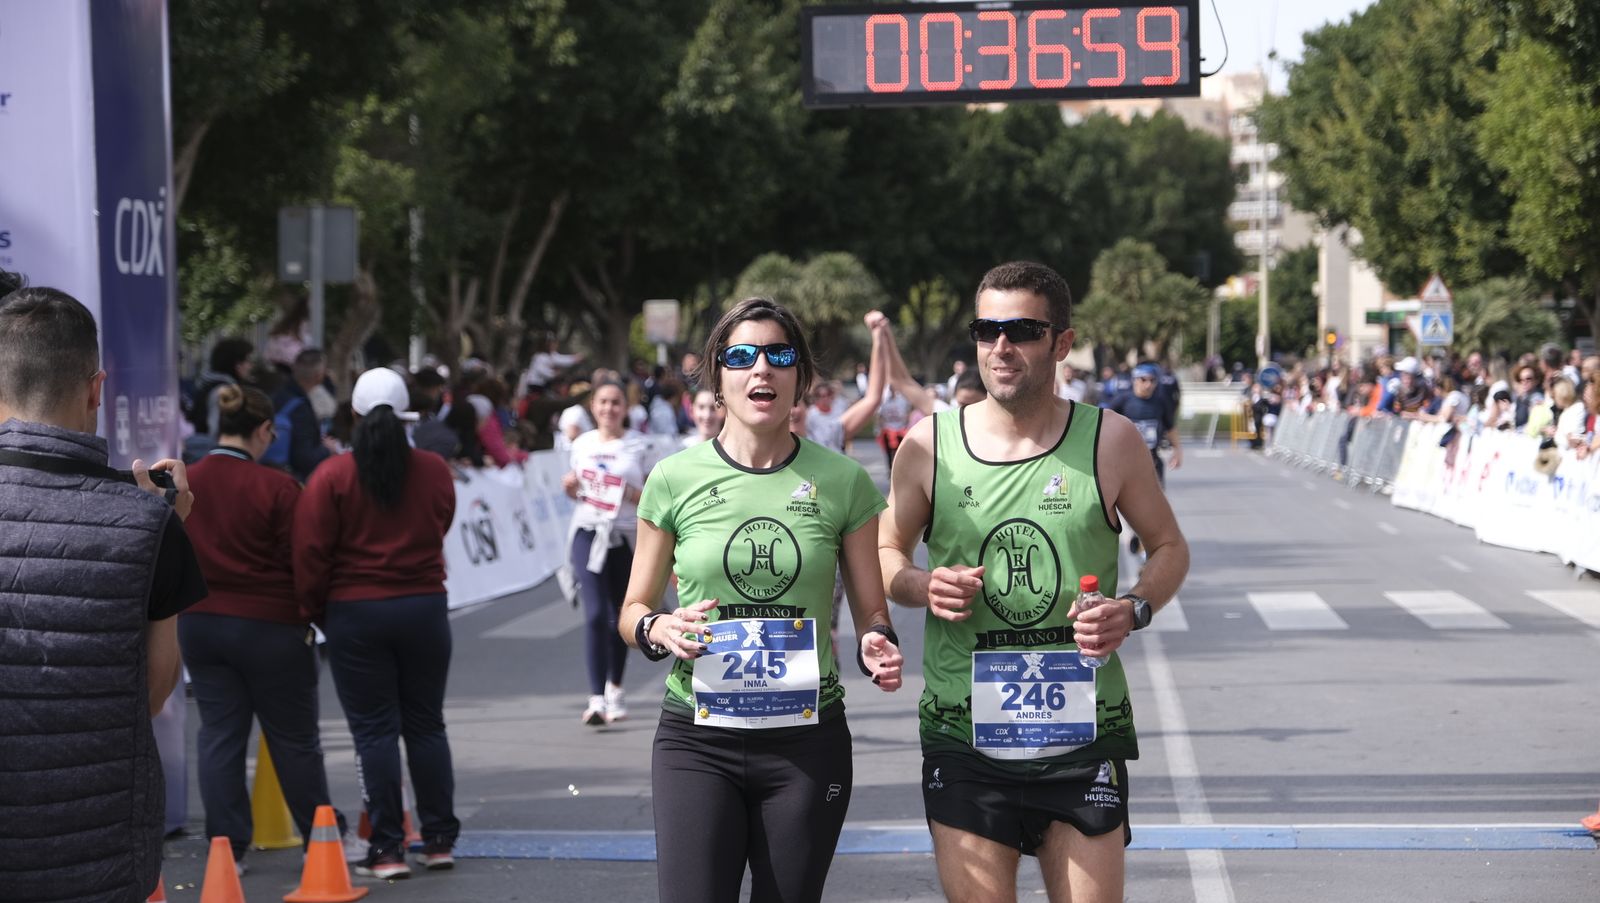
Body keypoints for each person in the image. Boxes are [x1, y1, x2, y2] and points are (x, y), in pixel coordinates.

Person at [879, 261, 1189, 903]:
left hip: (1080, 732)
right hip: (963, 731)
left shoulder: (1111, 441)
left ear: (1061, 342)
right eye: (986, 329)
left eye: (1021, 329)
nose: (1000, 346)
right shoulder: (928, 446)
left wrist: (1132, 609)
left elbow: (1169, 547)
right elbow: (885, 552)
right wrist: (921, 585)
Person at [619, 298, 904, 903]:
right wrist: (658, 628)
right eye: (742, 356)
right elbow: (632, 609)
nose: (761, 370)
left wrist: (878, 641)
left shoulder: (843, 481)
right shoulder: (673, 478)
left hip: (806, 742)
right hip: (698, 740)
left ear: (800, 376)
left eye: (779, 356)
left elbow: (871, 611)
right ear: (718, 378)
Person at [0, 278, 207, 901]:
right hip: (101, 855)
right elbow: (150, 689)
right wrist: (162, 534)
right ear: (96, 389)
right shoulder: (148, 524)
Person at [293, 366, 460, 880]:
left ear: (356, 413)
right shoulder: (433, 469)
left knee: (374, 733)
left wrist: (316, 611)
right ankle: (437, 840)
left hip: (355, 613)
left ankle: (387, 848)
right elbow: (443, 521)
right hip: (424, 607)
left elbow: (310, 552)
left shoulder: (333, 475)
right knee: (427, 724)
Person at [180, 384, 346, 871]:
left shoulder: (187, 481)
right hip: (271, 628)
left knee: (219, 734)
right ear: (265, 431)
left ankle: (226, 848)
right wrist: (313, 615)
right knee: (294, 739)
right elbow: (305, 560)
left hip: (201, 624)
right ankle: (321, 838)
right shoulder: (278, 487)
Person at [561, 380, 659, 725]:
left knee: (621, 616)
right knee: (594, 615)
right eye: (602, 402)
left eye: (616, 402)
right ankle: (596, 699)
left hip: (628, 537)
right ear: (593, 405)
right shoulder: (582, 443)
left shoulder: (640, 445)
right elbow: (578, 490)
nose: (609, 409)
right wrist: (570, 487)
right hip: (588, 533)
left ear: (625, 407)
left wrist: (635, 494)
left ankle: (615, 688)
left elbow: (655, 495)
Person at [1105, 362, 1183, 487]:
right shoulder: (1123, 400)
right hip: (1126, 460)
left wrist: (1178, 451)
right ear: (1135, 380)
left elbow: (1171, 427)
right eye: (1143, 379)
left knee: (1156, 502)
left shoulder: (1161, 401)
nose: (1148, 384)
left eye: (1152, 380)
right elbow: (1104, 422)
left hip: (1152, 459)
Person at [268, 348, 335, 481]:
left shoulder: (277, 396)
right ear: (319, 375)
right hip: (288, 482)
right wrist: (328, 449)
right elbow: (304, 458)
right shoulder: (300, 409)